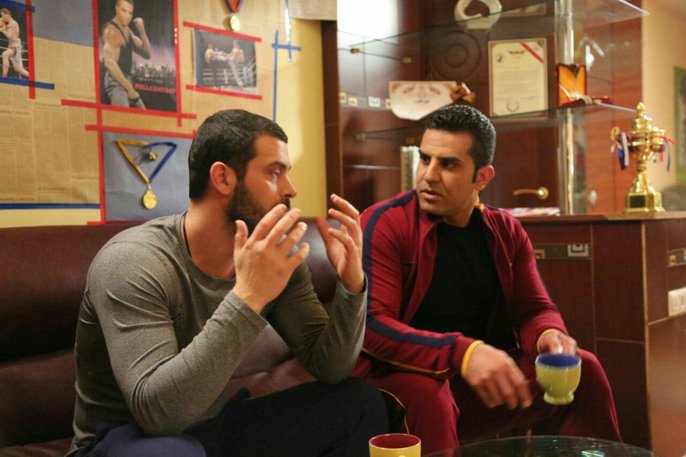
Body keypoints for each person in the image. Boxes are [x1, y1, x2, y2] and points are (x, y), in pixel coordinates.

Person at [67, 109, 389, 457]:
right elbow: (160, 415)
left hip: (211, 427)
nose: (290, 189)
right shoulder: (134, 261)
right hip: (124, 439)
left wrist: (351, 284)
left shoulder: (276, 259)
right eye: (274, 173)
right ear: (223, 178)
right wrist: (248, 296)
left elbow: (331, 367)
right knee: (173, 453)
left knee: (359, 403)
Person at [352, 104, 622, 454]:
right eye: (425, 159)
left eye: (448, 164)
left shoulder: (506, 231)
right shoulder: (384, 223)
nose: (429, 175)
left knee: (584, 368)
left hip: (475, 381)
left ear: (482, 177)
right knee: (430, 394)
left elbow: (533, 310)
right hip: (399, 380)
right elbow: (372, 327)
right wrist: (464, 352)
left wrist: (548, 334)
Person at [101, 0, 151, 108]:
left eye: (130, 13)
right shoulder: (111, 31)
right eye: (124, 11)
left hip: (127, 81)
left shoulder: (127, 30)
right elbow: (109, 63)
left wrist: (142, 31)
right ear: (116, 8)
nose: (127, 16)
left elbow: (147, 54)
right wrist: (129, 89)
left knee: (144, 116)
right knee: (122, 116)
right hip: (116, 81)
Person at [0, 8, 29, 79]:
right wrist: (4, 27)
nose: (2, 18)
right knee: (18, 69)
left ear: (8, 14)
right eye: (1, 16)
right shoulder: (8, 23)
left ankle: (4, 76)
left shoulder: (13, 24)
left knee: (5, 55)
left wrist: (3, 30)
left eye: (3, 16)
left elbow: (10, 36)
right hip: (12, 46)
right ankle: (32, 77)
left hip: (15, 46)